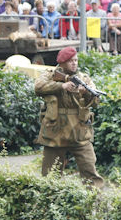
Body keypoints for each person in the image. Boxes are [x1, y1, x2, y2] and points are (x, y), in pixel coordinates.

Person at [35, 47, 104, 189]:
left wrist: (85, 93)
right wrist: (62, 86)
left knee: (90, 173)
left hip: (79, 131)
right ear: (62, 63)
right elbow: (38, 87)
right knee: (50, 176)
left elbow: (96, 102)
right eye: (71, 61)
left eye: (76, 60)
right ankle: (49, 206)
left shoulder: (83, 79)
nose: (74, 63)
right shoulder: (50, 75)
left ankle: (95, 205)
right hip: (55, 131)